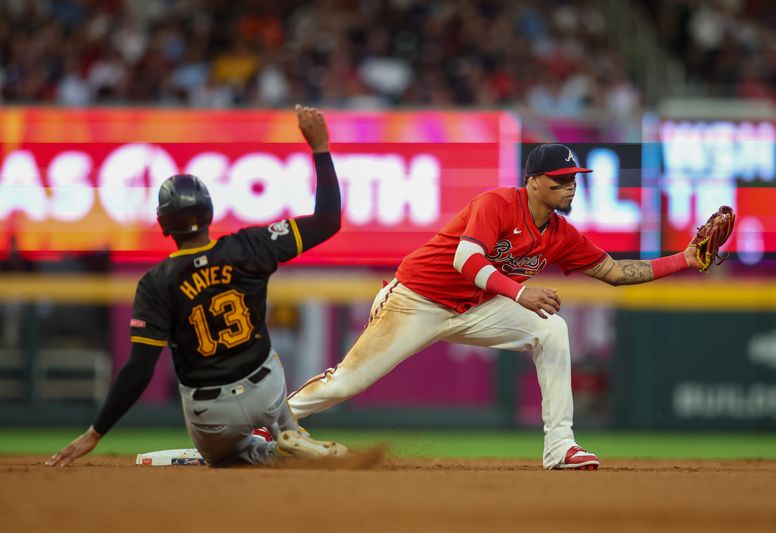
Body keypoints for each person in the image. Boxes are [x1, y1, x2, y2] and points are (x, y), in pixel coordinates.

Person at [287, 143, 708, 471]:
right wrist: (520, 292)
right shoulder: (497, 204)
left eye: (574, 179)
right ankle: (269, 422)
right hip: (417, 299)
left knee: (552, 330)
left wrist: (684, 259)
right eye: (561, 180)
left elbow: (615, 272)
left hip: (478, 305)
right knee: (346, 385)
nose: (570, 186)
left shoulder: (562, 233)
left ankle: (561, 447)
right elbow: (465, 260)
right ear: (534, 182)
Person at [47, 106, 346, 467]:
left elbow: (138, 370)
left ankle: (270, 450)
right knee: (277, 404)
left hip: (212, 412)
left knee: (231, 458)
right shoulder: (248, 245)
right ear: (209, 212)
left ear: (163, 224)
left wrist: (95, 431)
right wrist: (320, 146)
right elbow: (328, 220)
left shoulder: (156, 282)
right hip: (266, 386)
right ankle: (290, 433)